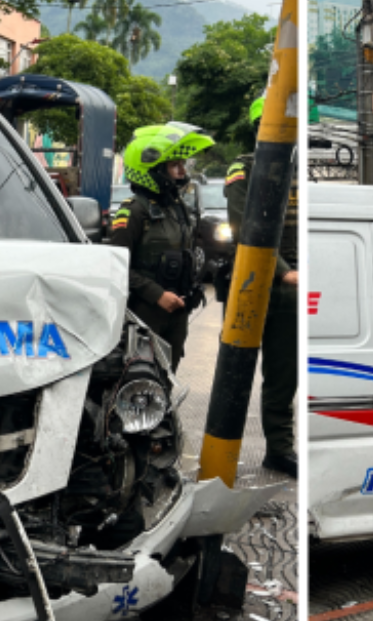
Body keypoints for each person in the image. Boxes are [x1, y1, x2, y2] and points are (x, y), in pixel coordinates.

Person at [224, 97, 299, 478]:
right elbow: (243, 227)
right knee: (233, 375)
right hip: (253, 283)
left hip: (292, 290)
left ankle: (280, 449)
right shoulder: (245, 168)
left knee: (284, 376)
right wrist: (284, 270)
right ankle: (221, 448)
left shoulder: (301, 170)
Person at [109, 122, 214, 368]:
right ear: (153, 169)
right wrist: (157, 295)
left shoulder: (180, 210)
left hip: (177, 312)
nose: (182, 172)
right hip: (145, 313)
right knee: (142, 380)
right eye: (174, 165)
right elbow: (116, 266)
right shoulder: (133, 212)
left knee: (168, 379)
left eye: (182, 165)